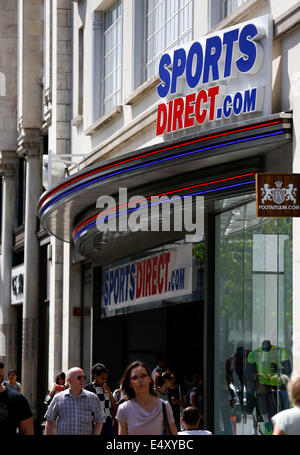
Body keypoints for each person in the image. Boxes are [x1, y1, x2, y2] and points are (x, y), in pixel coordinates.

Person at [116, 360, 177, 435]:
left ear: (150, 379)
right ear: (129, 383)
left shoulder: (164, 406)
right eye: (135, 377)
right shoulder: (123, 409)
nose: (139, 380)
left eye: (143, 376)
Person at [44, 367, 106, 435]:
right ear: (69, 380)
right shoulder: (58, 398)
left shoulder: (93, 398)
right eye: (79, 377)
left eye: (84, 377)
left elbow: (100, 419)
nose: (82, 379)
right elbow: (50, 421)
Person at [0, 361, 34, 435]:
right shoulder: (5, 383)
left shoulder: (18, 394)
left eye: (1, 366)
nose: (12, 376)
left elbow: (27, 430)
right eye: (11, 375)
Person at [84, 363, 116, 435]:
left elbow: (114, 405)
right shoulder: (88, 388)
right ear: (95, 376)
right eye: (102, 378)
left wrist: (109, 393)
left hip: (107, 422)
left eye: (105, 378)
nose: (104, 380)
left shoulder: (106, 387)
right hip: (95, 422)